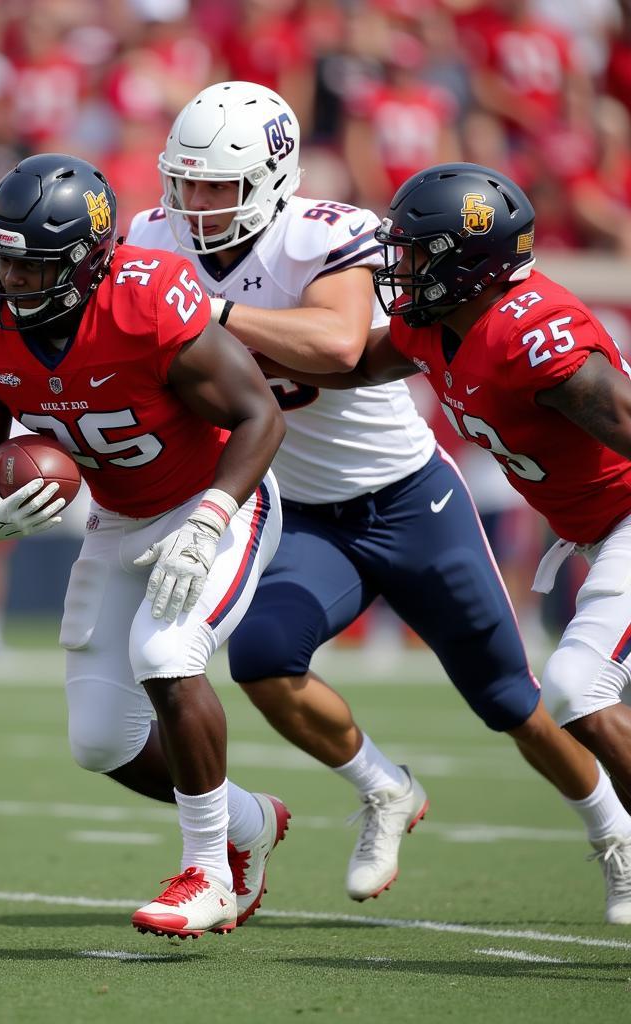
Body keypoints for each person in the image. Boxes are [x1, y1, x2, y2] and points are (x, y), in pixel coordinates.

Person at [126, 82, 631, 922]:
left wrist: (204, 314)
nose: (194, 204)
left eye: (218, 184)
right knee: (261, 659)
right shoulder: (431, 321)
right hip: (303, 511)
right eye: (187, 182)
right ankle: (383, 790)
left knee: (518, 700)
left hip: (409, 499)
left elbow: (331, 345)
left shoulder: (337, 246)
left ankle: (613, 833)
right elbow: (355, 360)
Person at [0, 153, 287, 938]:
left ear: (90, 264)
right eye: (3, 263)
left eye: (35, 269)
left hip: (215, 503)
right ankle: (250, 821)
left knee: (166, 654)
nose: (12, 284)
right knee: (100, 740)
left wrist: (210, 519)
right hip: (121, 517)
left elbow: (261, 416)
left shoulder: (147, 300)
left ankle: (208, 873)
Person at [288, 160, 631, 924]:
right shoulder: (437, 321)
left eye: (418, 253)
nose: (399, 268)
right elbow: (351, 363)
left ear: (471, 265)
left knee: (577, 688)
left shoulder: (531, 333)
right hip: (599, 533)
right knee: (575, 688)